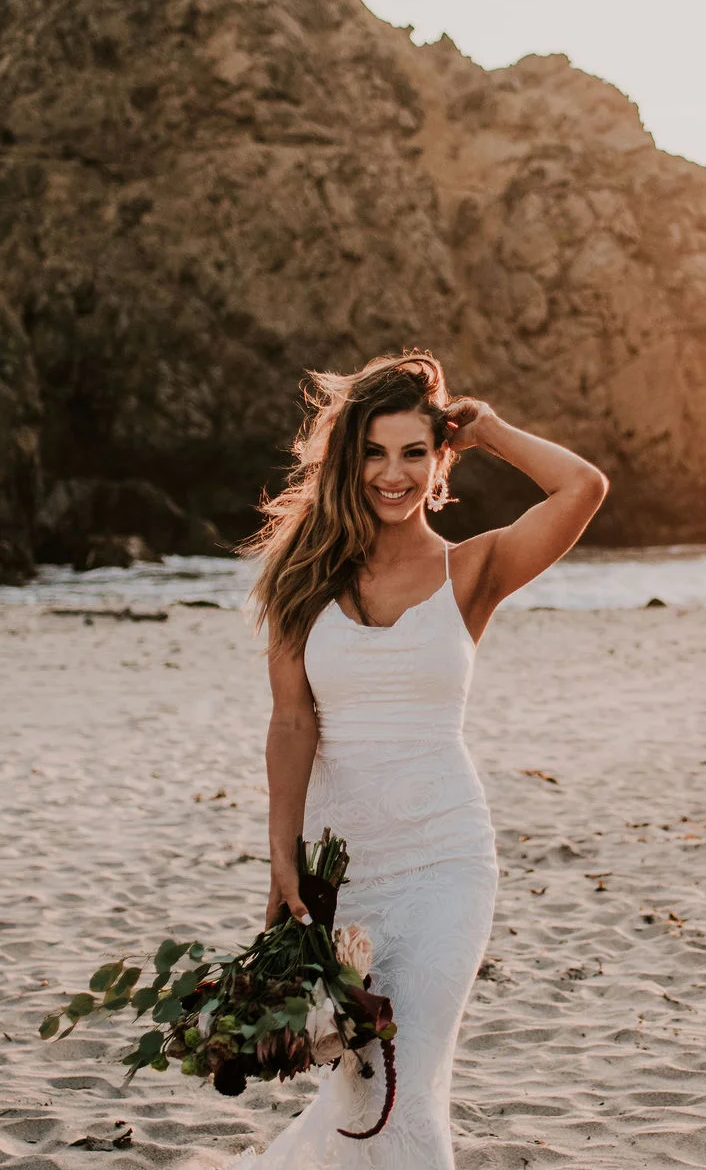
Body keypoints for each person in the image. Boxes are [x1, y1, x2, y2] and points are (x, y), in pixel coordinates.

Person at [232, 350, 608, 1169]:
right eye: (373, 451)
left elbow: (584, 489)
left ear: (439, 461)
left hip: (446, 861)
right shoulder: (302, 578)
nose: (391, 474)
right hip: (344, 871)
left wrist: (493, 430)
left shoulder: (470, 568)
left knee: (407, 1069)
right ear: (347, 459)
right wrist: (282, 859)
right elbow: (292, 721)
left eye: (412, 452)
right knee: (363, 1081)